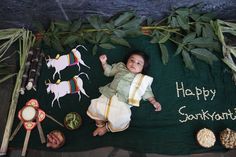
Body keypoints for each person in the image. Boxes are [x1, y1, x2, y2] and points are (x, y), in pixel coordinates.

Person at [87, 51, 161, 136]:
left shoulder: (142, 80)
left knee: (122, 117)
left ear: (143, 67)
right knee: (96, 107)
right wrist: (104, 63)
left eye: (138, 63)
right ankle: (100, 125)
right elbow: (109, 72)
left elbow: (147, 92)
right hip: (108, 94)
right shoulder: (121, 67)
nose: (134, 64)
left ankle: (106, 128)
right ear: (127, 60)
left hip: (123, 102)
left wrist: (154, 102)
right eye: (132, 60)